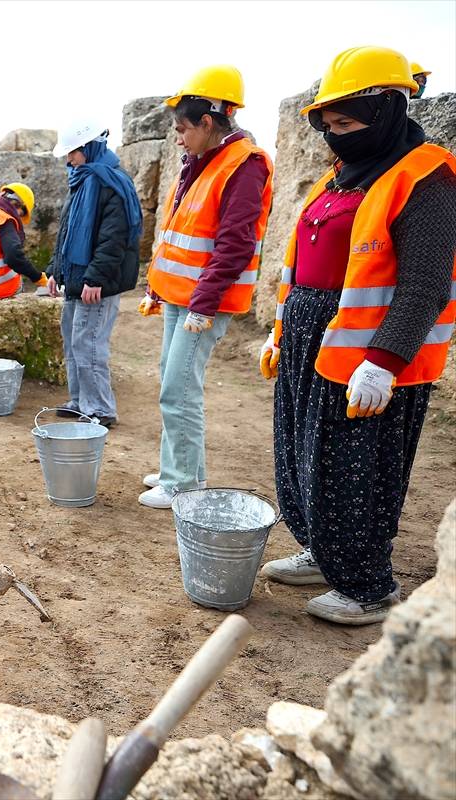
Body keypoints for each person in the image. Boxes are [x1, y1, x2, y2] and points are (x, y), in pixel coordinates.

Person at [257, 46, 456, 625]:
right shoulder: (339, 177)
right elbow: (304, 262)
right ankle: (325, 554)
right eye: (329, 125)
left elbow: (425, 283)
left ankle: (369, 585)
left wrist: (384, 361)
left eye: (347, 124)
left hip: (368, 357)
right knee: (302, 455)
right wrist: (280, 332)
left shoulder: (427, 177)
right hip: (310, 340)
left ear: (388, 109)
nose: (335, 136)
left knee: (358, 467)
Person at [137, 65, 273, 509]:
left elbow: (235, 243)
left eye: (182, 129)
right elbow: (182, 235)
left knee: (179, 387)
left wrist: (204, 303)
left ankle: (182, 483)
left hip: (204, 302)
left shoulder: (244, 166)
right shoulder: (201, 162)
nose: (178, 137)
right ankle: (180, 469)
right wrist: (159, 287)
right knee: (171, 381)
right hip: (182, 296)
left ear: (208, 123)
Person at [46, 121, 143, 429]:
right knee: (73, 340)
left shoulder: (110, 183)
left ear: (88, 149)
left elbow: (114, 238)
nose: (68, 160)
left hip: (95, 282)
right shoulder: (82, 180)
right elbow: (66, 232)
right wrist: (53, 270)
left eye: (72, 153)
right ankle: (80, 402)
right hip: (77, 277)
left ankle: (100, 408)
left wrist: (95, 278)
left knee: (88, 343)